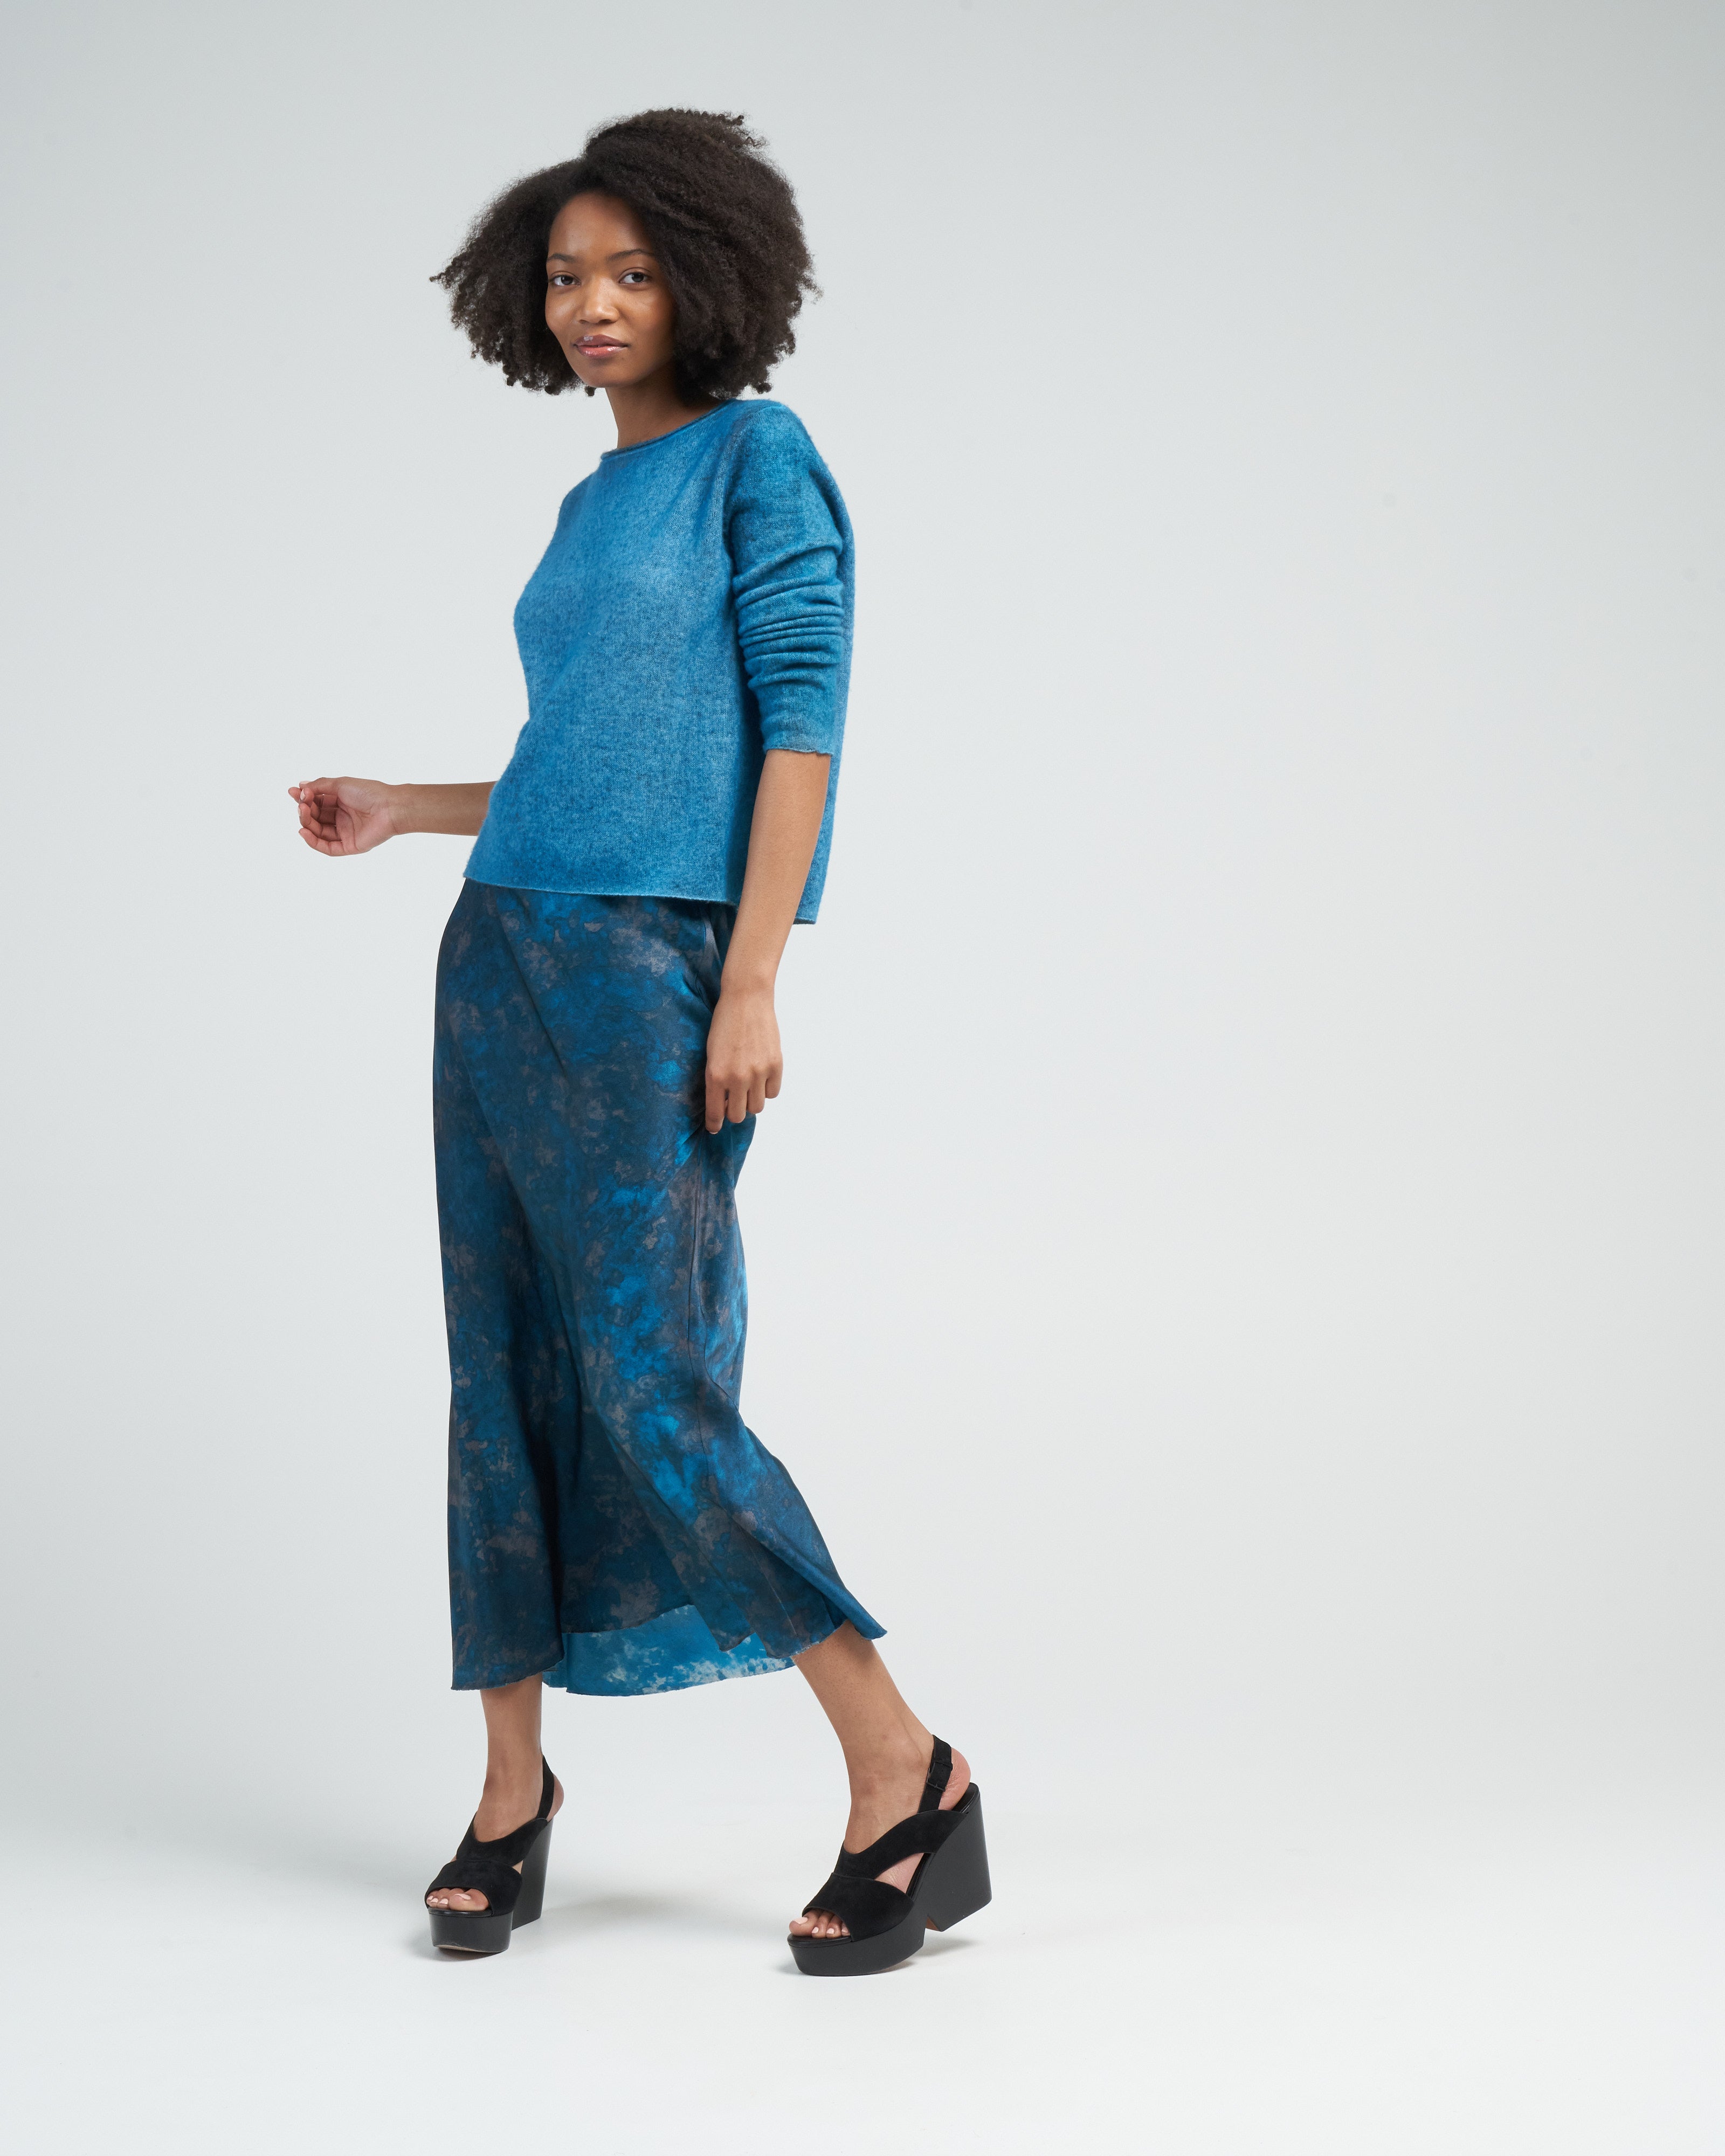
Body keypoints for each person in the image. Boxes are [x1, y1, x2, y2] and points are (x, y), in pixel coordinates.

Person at [289, 110, 989, 1977]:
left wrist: (752, 979)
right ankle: (511, 1792)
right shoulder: (590, 504)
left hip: (648, 974)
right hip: (499, 952)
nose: (593, 305)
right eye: (565, 278)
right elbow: (585, 759)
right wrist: (409, 808)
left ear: (709, 278)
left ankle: (906, 1770)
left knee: (652, 1381)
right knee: (499, 1362)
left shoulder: (762, 458)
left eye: (633, 272)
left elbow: (801, 728)